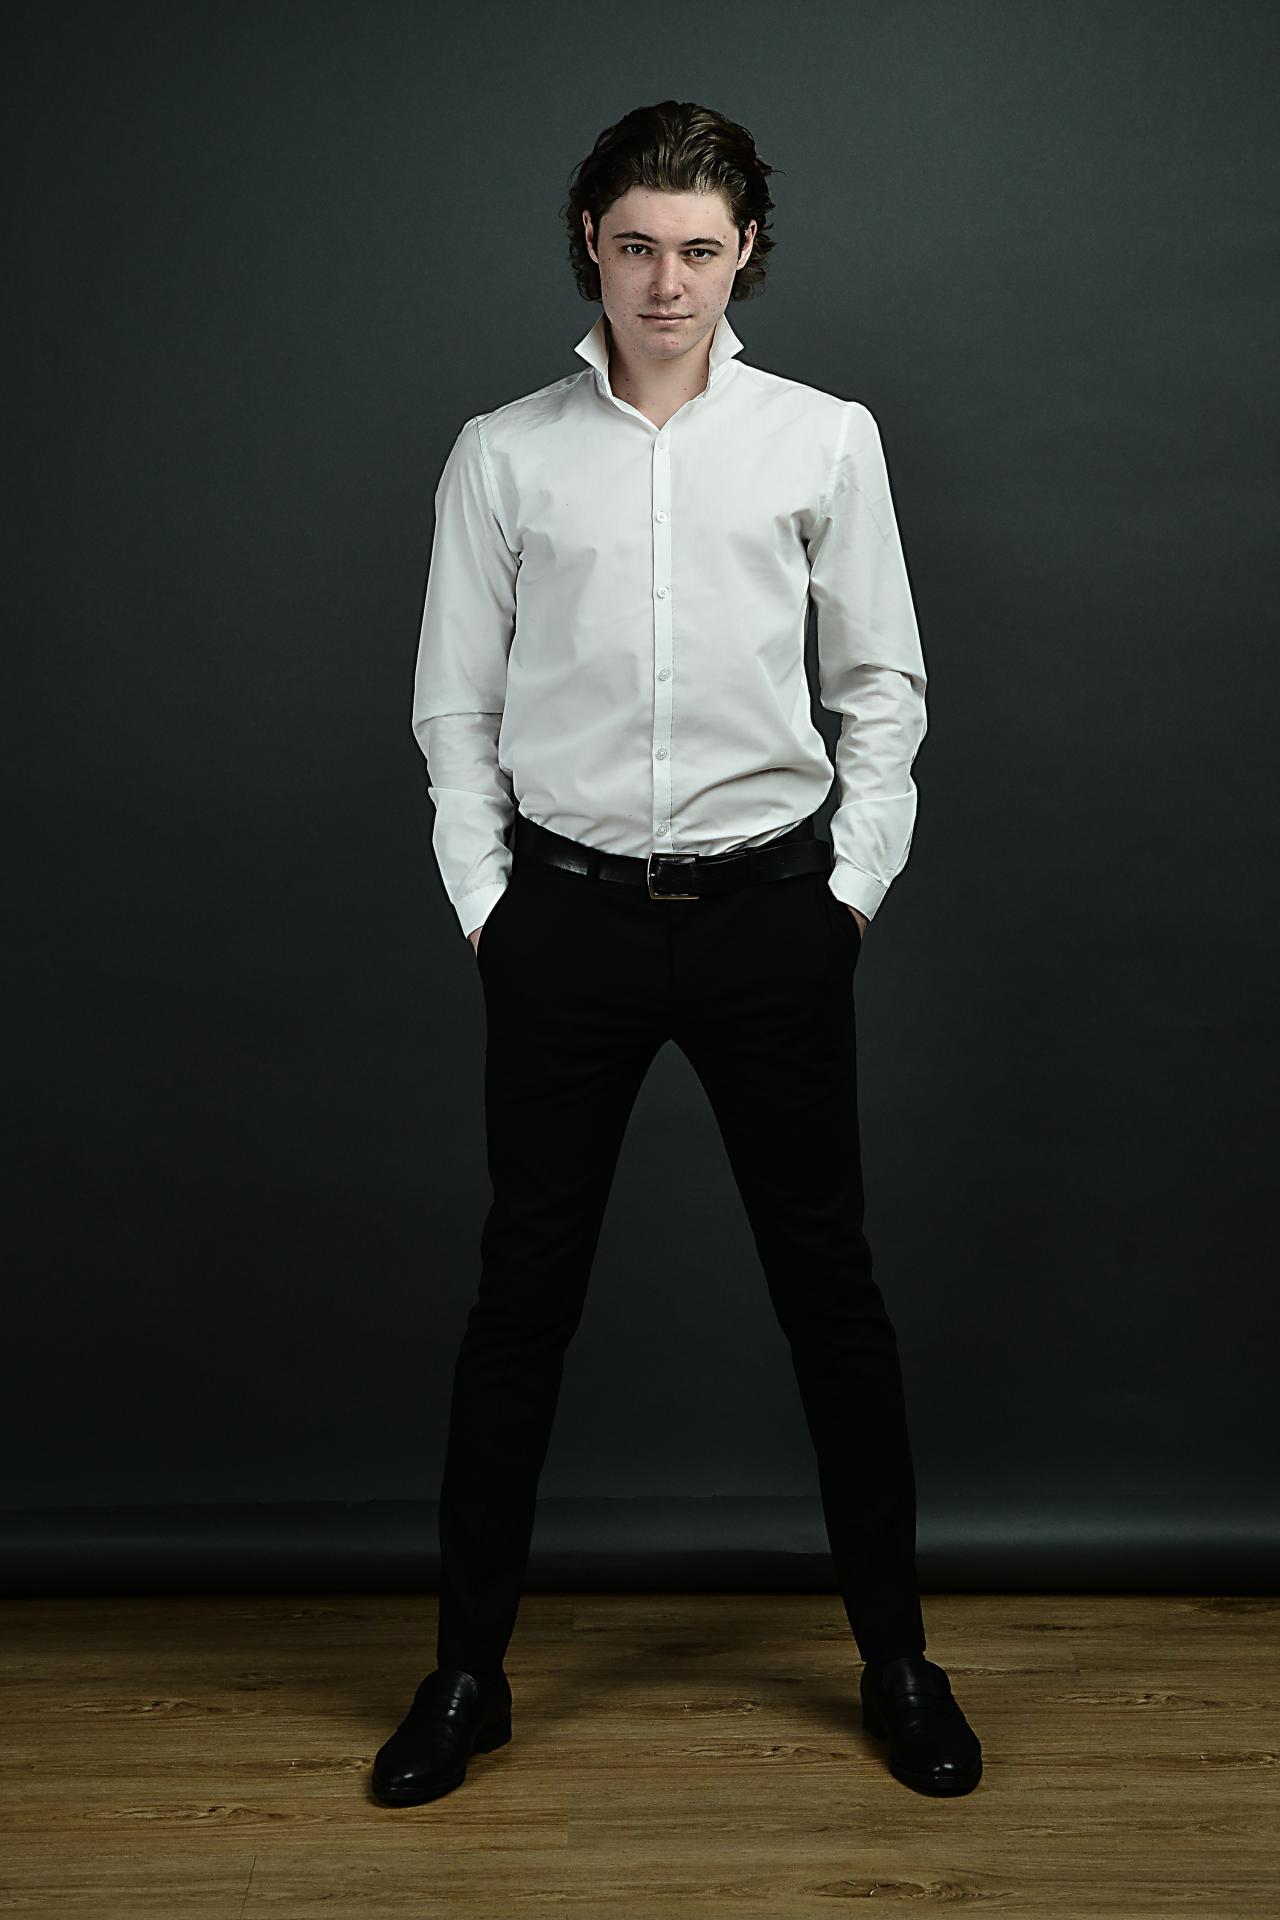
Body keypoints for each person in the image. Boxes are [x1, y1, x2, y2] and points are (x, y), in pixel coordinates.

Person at [372, 99, 982, 1808]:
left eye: (700, 251)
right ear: (592, 240)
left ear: (745, 254)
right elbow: (454, 705)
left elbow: (882, 685)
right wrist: (490, 909)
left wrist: (849, 892)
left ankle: (900, 1663)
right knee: (522, 1298)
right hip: (561, 923)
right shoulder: (504, 453)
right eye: (637, 246)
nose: (666, 284)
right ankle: (468, 1676)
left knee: (831, 1293)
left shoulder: (821, 440)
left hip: (772, 917)